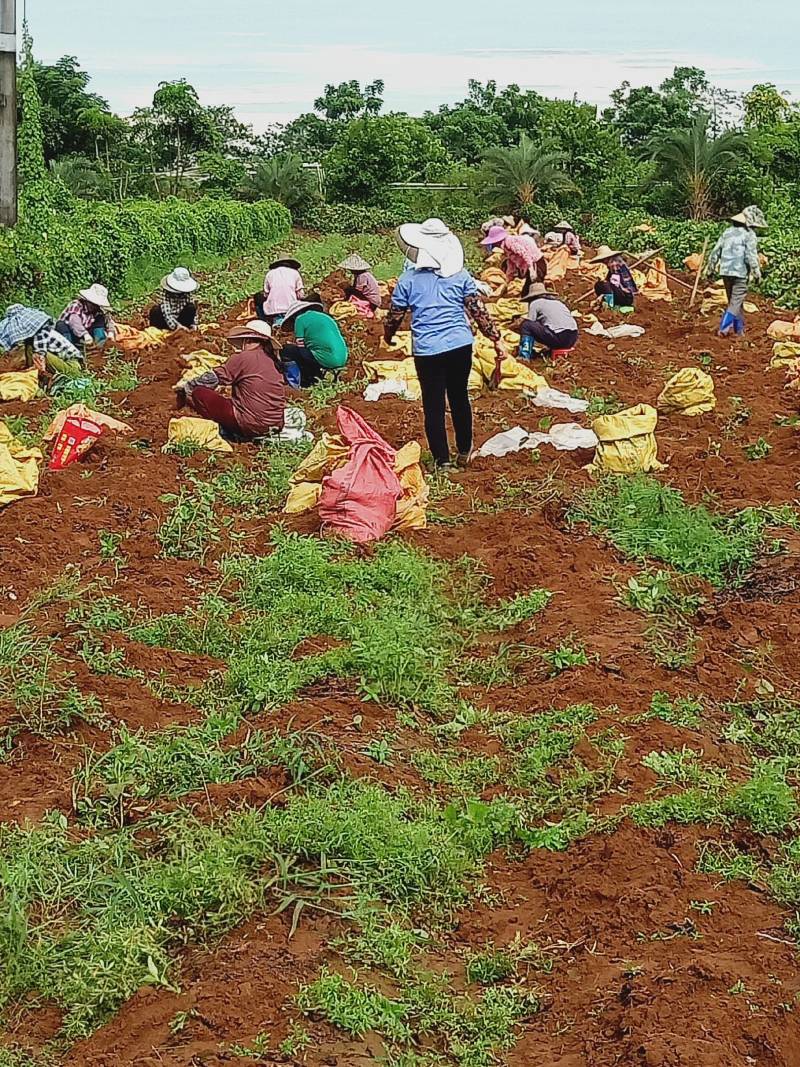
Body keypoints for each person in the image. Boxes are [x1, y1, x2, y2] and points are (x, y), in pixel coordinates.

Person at [386, 218, 506, 470]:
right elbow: (478, 311)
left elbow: (395, 315)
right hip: (460, 346)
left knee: (434, 405)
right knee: (460, 396)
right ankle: (464, 450)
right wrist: (495, 338)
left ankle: (442, 461)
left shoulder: (408, 279)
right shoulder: (460, 276)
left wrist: (388, 336)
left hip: (427, 351)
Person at [180, 320, 286, 440]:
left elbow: (213, 378)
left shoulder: (244, 358)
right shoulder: (273, 361)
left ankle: (225, 431)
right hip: (276, 423)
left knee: (199, 392)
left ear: (248, 340)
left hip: (251, 424)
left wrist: (188, 386)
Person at [707, 207, 766, 336]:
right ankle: (723, 328)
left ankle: (739, 331)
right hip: (740, 274)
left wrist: (710, 269)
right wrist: (757, 274)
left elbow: (715, 251)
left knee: (735, 302)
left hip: (725, 272)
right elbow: (750, 256)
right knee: (735, 303)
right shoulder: (749, 235)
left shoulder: (727, 232)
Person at [0, 303, 84, 377]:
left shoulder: (41, 333)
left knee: (33, 354)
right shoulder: (32, 338)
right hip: (62, 361)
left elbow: (40, 360)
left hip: (72, 366)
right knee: (29, 350)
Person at [280, 300, 349, 387]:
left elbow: (300, 346)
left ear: (293, 316)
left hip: (326, 358)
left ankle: (300, 382)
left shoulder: (299, 319)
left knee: (286, 350)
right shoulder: (325, 316)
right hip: (342, 357)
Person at [517, 282, 579, 359]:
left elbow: (530, 322)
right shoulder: (558, 303)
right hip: (573, 337)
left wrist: (517, 325)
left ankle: (524, 355)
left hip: (560, 338)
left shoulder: (535, 303)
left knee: (526, 325)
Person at [57, 284, 117, 350]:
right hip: (70, 333)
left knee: (100, 318)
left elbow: (108, 321)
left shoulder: (97, 310)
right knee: (61, 325)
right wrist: (85, 334)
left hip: (85, 335)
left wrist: (111, 333)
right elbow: (74, 322)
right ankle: (67, 349)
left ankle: (101, 344)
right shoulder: (76, 305)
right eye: (92, 303)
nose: (94, 306)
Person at [481, 225, 547, 283]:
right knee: (527, 291)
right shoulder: (506, 248)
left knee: (534, 288)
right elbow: (511, 264)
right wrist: (508, 279)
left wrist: (531, 269)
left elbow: (524, 253)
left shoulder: (509, 241)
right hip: (530, 266)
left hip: (536, 264)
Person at [255, 258, 305, 325]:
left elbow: (266, 294)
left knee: (257, 297)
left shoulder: (270, 274)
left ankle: (264, 323)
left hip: (274, 310)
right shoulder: (295, 273)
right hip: (292, 309)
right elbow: (300, 295)